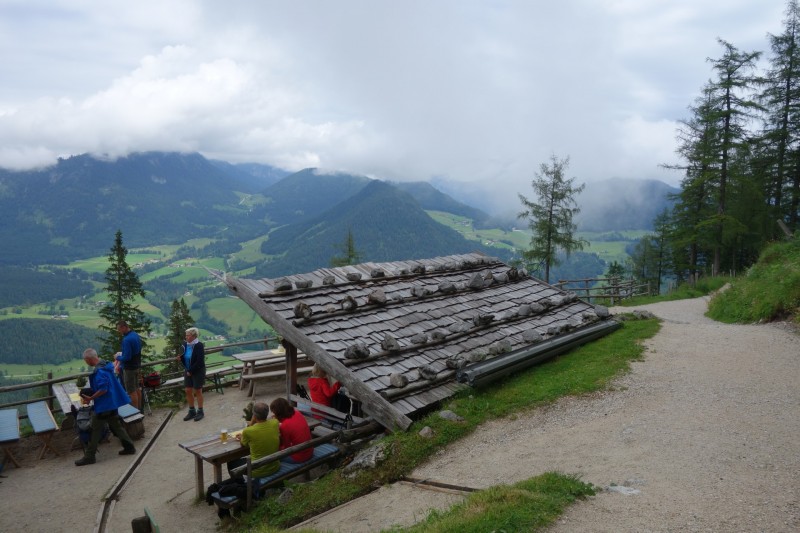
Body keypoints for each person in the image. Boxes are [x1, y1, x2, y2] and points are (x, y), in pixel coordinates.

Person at [75, 348, 136, 466]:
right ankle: (129, 447)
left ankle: (89, 456)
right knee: (117, 426)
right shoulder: (106, 366)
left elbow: (103, 389)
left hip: (104, 405)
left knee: (94, 429)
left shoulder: (99, 371)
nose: (86, 363)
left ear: (89, 359)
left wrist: (90, 398)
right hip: (112, 402)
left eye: (86, 360)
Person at [227, 402, 280, 478]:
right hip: (274, 467)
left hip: (257, 471)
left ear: (254, 415)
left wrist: (251, 423)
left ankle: (241, 484)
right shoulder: (275, 423)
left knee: (231, 461)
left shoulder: (248, 431)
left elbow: (242, 444)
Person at [270, 397, 313, 463]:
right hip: (309, 450)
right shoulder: (297, 413)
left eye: (274, 413)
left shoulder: (284, 426)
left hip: (300, 457)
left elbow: (287, 448)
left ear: (278, 413)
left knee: (272, 454)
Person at [178, 327, 206, 421]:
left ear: (194, 336)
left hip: (197, 370)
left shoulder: (199, 345)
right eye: (186, 335)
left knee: (197, 390)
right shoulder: (185, 344)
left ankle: (200, 411)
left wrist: (191, 371)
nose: (186, 337)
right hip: (188, 370)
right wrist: (180, 358)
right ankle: (192, 411)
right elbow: (184, 356)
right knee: (188, 390)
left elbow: (199, 361)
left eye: (188, 335)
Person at [114, 320, 142, 411]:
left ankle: (136, 413)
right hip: (137, 366)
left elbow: (127, 357)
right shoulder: (135, 335)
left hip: (129, 368)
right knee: (137, 388)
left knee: (131, 391)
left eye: (119, 329)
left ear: (124, 327)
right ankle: (141, 409)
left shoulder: (126, 340)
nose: (119, 332)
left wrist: (117, 357)